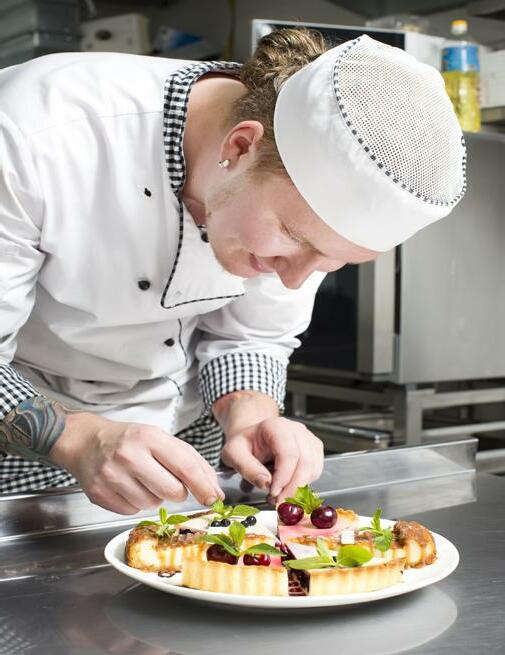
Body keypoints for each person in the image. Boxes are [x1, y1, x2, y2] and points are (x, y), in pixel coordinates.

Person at [0, 29, 465, 513]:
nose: (293, 279)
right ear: (242, 146)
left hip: (187, 455)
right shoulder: (31, 131)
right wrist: (77, 437)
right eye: (294, 238)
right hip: (22, 449)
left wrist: (251, 420)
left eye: (331, 262)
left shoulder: (285, 198)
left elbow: (251, 336)